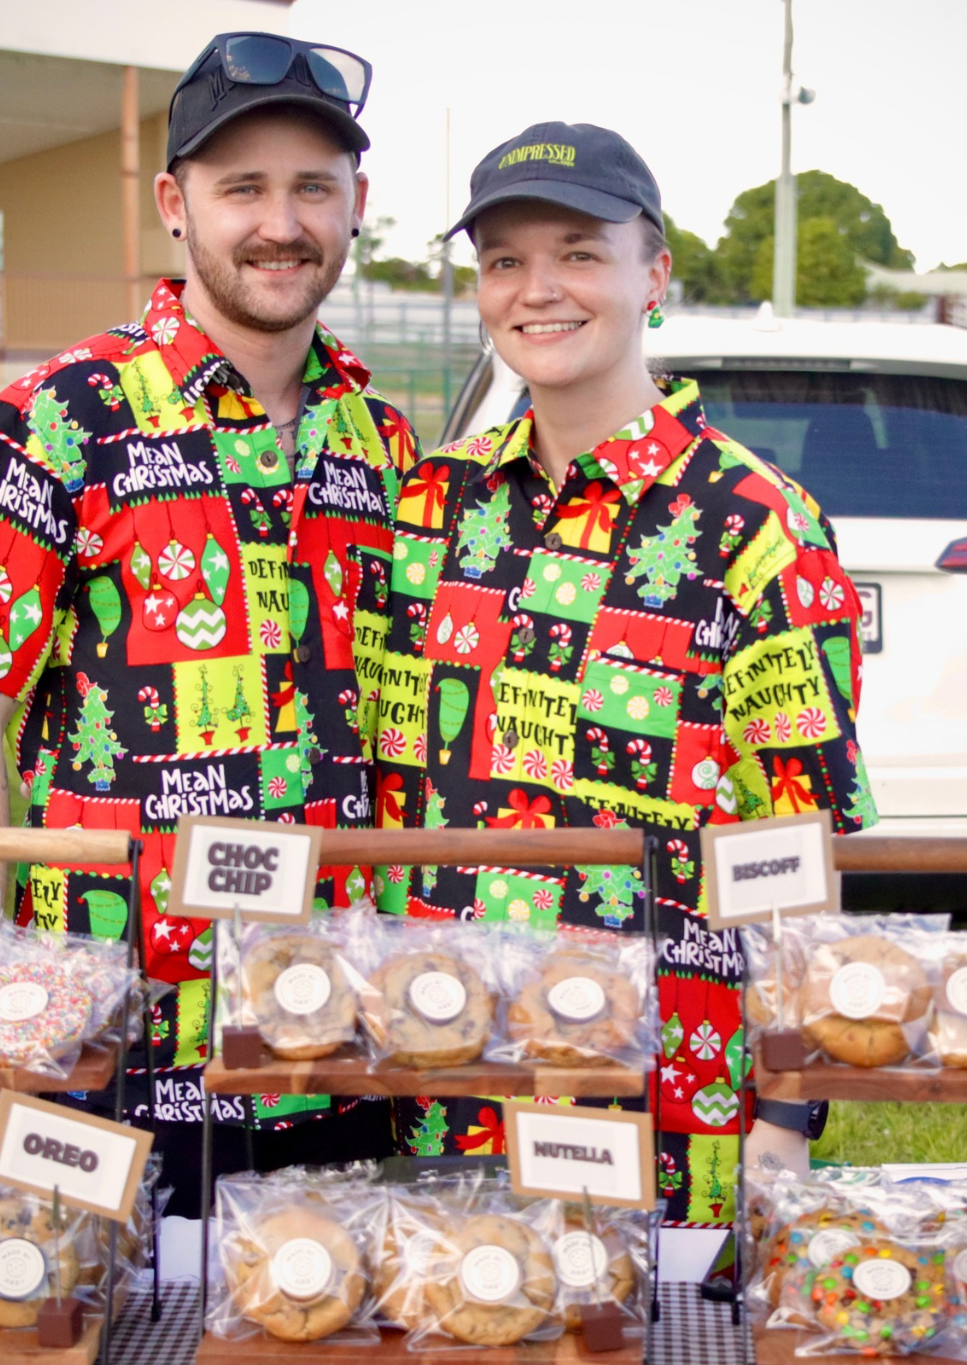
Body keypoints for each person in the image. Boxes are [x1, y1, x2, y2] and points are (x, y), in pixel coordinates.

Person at [0, 31, 414, 1219]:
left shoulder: (380, 441)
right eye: (243, 189)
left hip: (331, 1037)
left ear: (354, 205)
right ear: (176, 207)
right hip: (107, 1040)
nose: (280, 223)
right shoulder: (56, 419)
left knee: (309, 1306)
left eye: (311, 188)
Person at [364, 123, 875, 1227]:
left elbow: (799, 848)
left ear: (655, 274)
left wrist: (787, 1116)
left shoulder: (756, 525)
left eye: (579, 253)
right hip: (442, 1087)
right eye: (505, 259)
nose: (537, 289)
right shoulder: (428, 507)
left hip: (666, 1110)